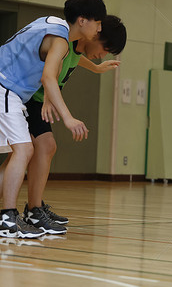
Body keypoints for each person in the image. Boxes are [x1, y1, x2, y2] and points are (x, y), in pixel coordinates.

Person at [0, 0, 106, 239]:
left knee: (22, 151)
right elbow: (48, 77)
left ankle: (10, 214)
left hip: (9, 91)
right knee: (25, 150)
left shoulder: (54, 25)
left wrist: (48, 98)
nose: (99, 28)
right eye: (98, 22)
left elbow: (49, 68)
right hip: (4, 86)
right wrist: (68, 118)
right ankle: (7, 217)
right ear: (82, 20)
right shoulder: (60, 40)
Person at [17, 15, 126, 232]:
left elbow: (76, 58)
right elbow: (51, 70)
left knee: (38, 150)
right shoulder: (64, 40)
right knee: (29, 152)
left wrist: (96, 68)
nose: (102, 54)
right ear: (95, 33)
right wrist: (67, 116)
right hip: (29, 99)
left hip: (36, 102)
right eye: (105, 48)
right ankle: (32, 210)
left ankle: (34, 208)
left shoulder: (76, 47)